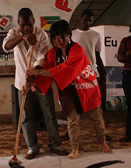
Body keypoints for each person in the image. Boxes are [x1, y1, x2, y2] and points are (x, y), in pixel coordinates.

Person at [27, 20, 111, 159]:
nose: (58, 41)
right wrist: (33, 81)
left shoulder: (77, 49)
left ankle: (102, 141)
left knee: (96, 117)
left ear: (68, 35)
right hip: (69, 91)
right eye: (54, 38)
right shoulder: (53, 53)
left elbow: (64, 69)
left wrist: (39, 73)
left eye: (61, 37)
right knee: (72, 120)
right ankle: (75, 148)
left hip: (87, 88)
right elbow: (46, 67)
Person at [2, 8, 68, 159]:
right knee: (25, 116)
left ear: (34, 21)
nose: (27, 28)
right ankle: (33, 147)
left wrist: (34, 73)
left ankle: (55, 144)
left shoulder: (42, 34)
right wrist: (23, 37)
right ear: (18, 23)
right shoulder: (14, 33)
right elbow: (6, 46)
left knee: (49, 114)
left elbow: (42, 58)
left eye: (29, 25)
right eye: (23, 25)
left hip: (40, 79)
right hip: (22, 82)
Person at [60, 9, 111, 142]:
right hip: (75, 75)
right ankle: (69, 132)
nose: (87, 22)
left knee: (96, 106)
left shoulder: (96, 35)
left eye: (90, 20)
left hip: (91, 74)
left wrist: (102, 73)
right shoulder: (72, 35)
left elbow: (97, 56)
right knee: (73, 106)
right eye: (85, 19)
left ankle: (102, 133)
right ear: (80, 19)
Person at [117, 27, 131, 142]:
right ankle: (129, 134)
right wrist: (126, 55)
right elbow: (120, 57)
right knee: (130, 105)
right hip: (129, 75)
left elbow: (125, 57)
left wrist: (129, 55)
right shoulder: (126, 40)